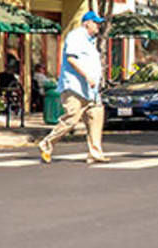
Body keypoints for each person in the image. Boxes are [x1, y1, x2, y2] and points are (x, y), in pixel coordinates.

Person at [38, 11, 109, 164]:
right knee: (71, 119)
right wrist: (86, 76)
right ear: (87, 23)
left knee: (96, 117)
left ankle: (95, 153)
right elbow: (71, 58)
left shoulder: (91, 41)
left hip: (91, 90)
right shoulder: (76, 36)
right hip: (75, 88)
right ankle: (46, 144)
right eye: (96, 23)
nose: (98, 26)